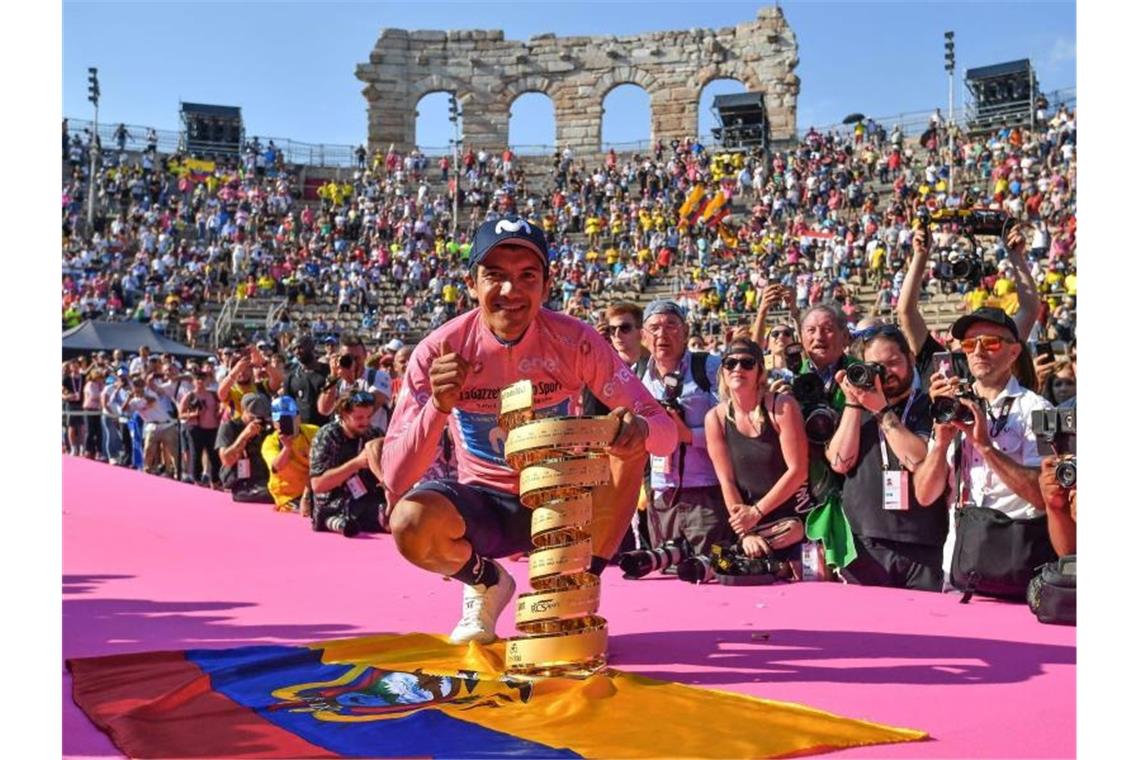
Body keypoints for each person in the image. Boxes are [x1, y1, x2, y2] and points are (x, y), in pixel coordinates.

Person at [382, 215, 676, 645]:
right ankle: (485, 583)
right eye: (495, 277)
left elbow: (665, 434)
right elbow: (395, 476)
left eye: (526, 277)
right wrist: (440, 406)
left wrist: (639, 430)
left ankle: (575, 583)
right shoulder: (439, 350)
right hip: (484, 503)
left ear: (546, 284)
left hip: (563, 503)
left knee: (626, 443)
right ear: (471, 284)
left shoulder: (575, 340)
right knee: (410, 521)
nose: (510, 291)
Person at [917, 308, 1052, 578]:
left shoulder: (1039, 409)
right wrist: (942, 442)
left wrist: (986, 448)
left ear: (1013, 352)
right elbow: (925, 494)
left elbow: (1044, 496)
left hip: (1018, 559)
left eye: (990, 342)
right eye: (969, 344)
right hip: (960, 563)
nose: (978, 351)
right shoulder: (952, 408)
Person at [826, 325, 949, 591]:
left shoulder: (930, 405)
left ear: (911, 360)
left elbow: (919, 460)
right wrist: (853, 403)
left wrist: (882, 410)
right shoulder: (856, 407)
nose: (886, 373)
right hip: (864, 542)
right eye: (876, 366)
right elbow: (839, 462)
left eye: (893, 362)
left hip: (922, 543)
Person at [705, 338, 810, 562]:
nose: (738, 369)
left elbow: (798, 470)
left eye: (747, 363)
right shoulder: (715, 418)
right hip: (752, 528)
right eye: (730, 363)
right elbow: (727, 481)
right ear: (722, 372)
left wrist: (756, 513)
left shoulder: (781, 406)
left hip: (793, 521)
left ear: (760, 372)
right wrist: (746, 534)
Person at [900, 224, 1039, 388]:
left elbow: (1029, 309)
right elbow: (906, 311)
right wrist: (920, 256)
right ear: (948, 338)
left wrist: (1016, 256)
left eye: (989, 340)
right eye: (969, 340)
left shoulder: (998, 355)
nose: (979, 346)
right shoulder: (934, 357)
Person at [639, 299, 728, 556]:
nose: (662, 334)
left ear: (686, 331)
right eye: (654, 327)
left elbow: (731, 424)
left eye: (671, 325)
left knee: (711, 568)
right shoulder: (639, 375)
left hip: (706, 491)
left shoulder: (709, 368)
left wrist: (688, 436)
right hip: (661, 492)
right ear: (644, 336)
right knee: (666, 571)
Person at [310, 391, 386, 535]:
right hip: (336, 505)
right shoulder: (327, 436)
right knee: (391, 518)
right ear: (344, 415)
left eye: (369, 416)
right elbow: (318, 485)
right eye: (359, 417)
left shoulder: (374, 434)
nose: (365, 422)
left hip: (369, 500)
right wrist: (356, 464)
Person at [261, 396, 319, 513]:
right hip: (289, 496)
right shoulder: (270, 442)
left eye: (289, 418)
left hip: (314, 489)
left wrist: (307, 495)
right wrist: (287, 447)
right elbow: (276, 467)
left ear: (298, 417)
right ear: (273, 422)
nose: (283, 424)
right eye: (279, 420)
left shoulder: (314, 432)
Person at [215, 393, 273, 503]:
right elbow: (226, 460)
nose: (257, 421)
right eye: (253, 417)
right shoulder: (229, 427)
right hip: (241, 482)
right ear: (243, 411)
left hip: (263, 479)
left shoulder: (266, 428)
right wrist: (244, 436)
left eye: (261, 417)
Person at [178, 368, 222, 488]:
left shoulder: (213, 394)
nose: (200, 382)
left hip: (212, 428)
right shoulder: (190, 395)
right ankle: (197, 480)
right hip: (195, 428)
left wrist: (219, 413)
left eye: (203, 379)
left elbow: (220, 408)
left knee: (214, 456)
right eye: (198, 379)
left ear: (207, 380)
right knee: (196, 454)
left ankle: (215, 481)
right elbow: (180, 414)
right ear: (193, 381)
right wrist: (194, 414)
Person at [283, 335, 331, 427]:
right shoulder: (291, 377)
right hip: (302, 431)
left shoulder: (328, 372)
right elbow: (289, 407)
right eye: (294, 349)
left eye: (300, 347)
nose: (297, 352)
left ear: (311, 346)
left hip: (325, 429)